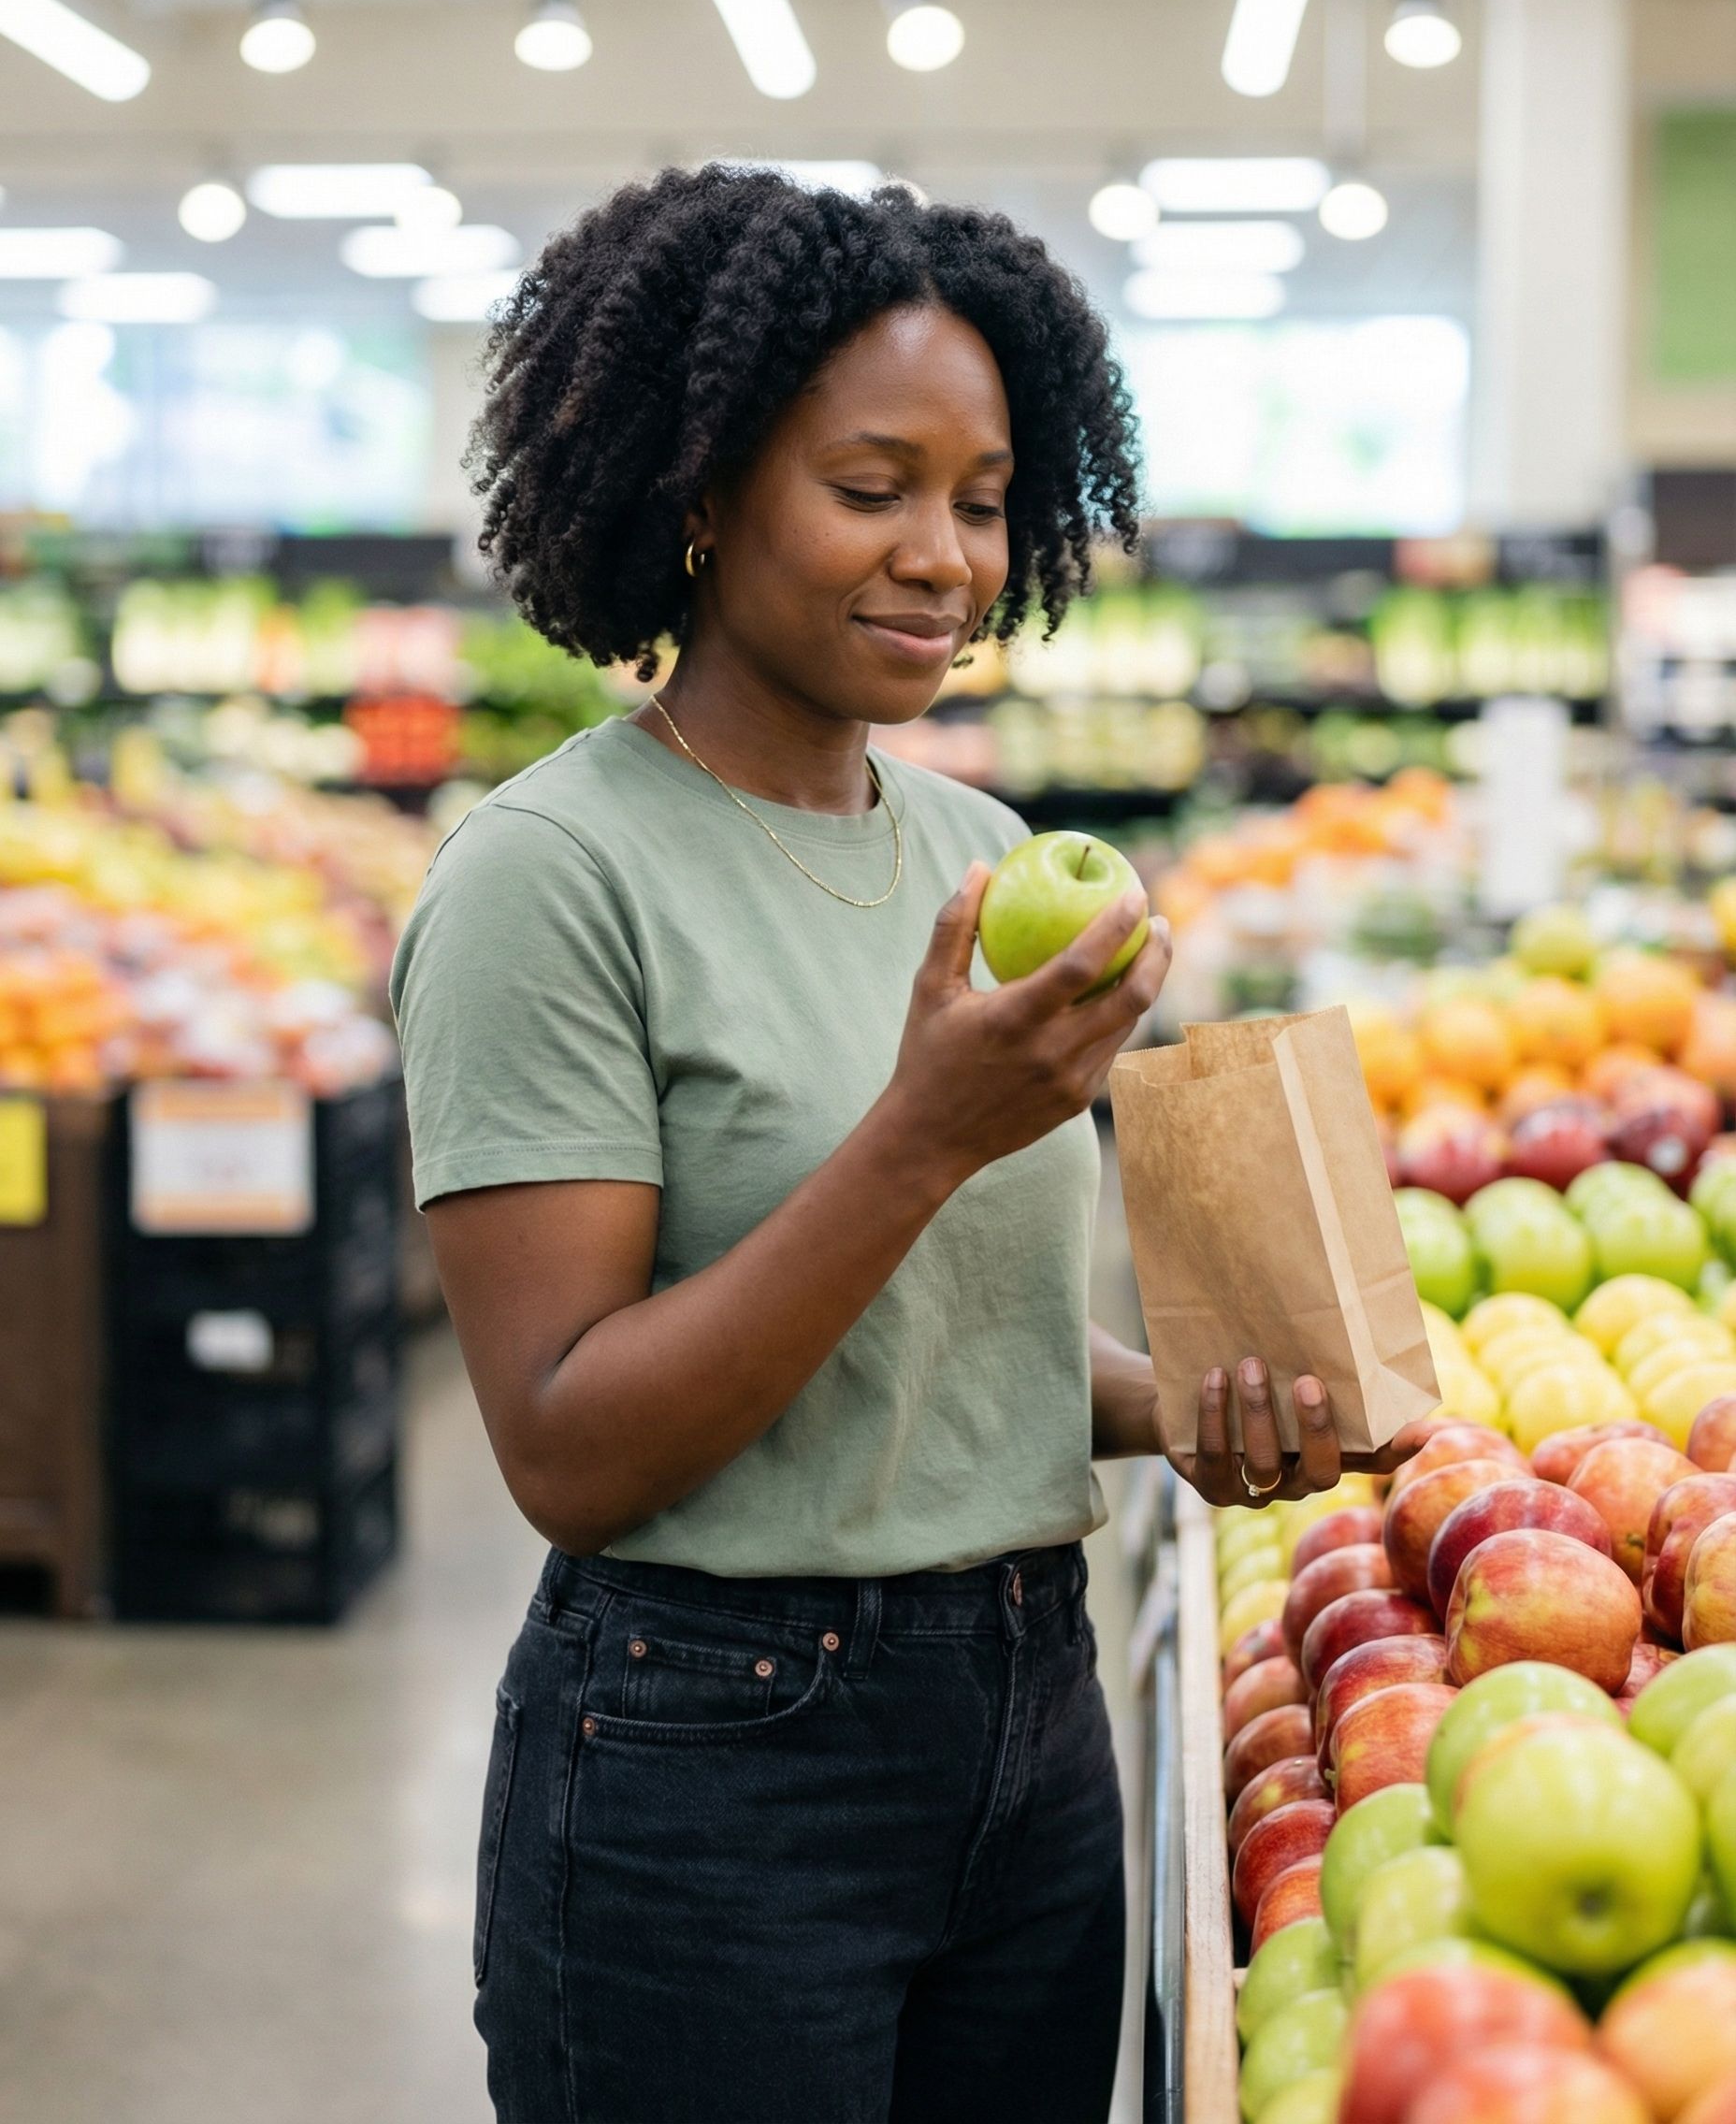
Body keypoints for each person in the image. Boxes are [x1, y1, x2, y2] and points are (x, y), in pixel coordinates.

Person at [392, 165, 1424, 2124]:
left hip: (1030, 1722)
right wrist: (921, 1138)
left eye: (980, 498)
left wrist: (1174, 1403)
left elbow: (958, 1331)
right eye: (870, 489)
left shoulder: (980, 854)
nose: (944, 557)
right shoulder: (549, 879)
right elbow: (570, 1445)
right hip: (711, 1753)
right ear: (697, 496)